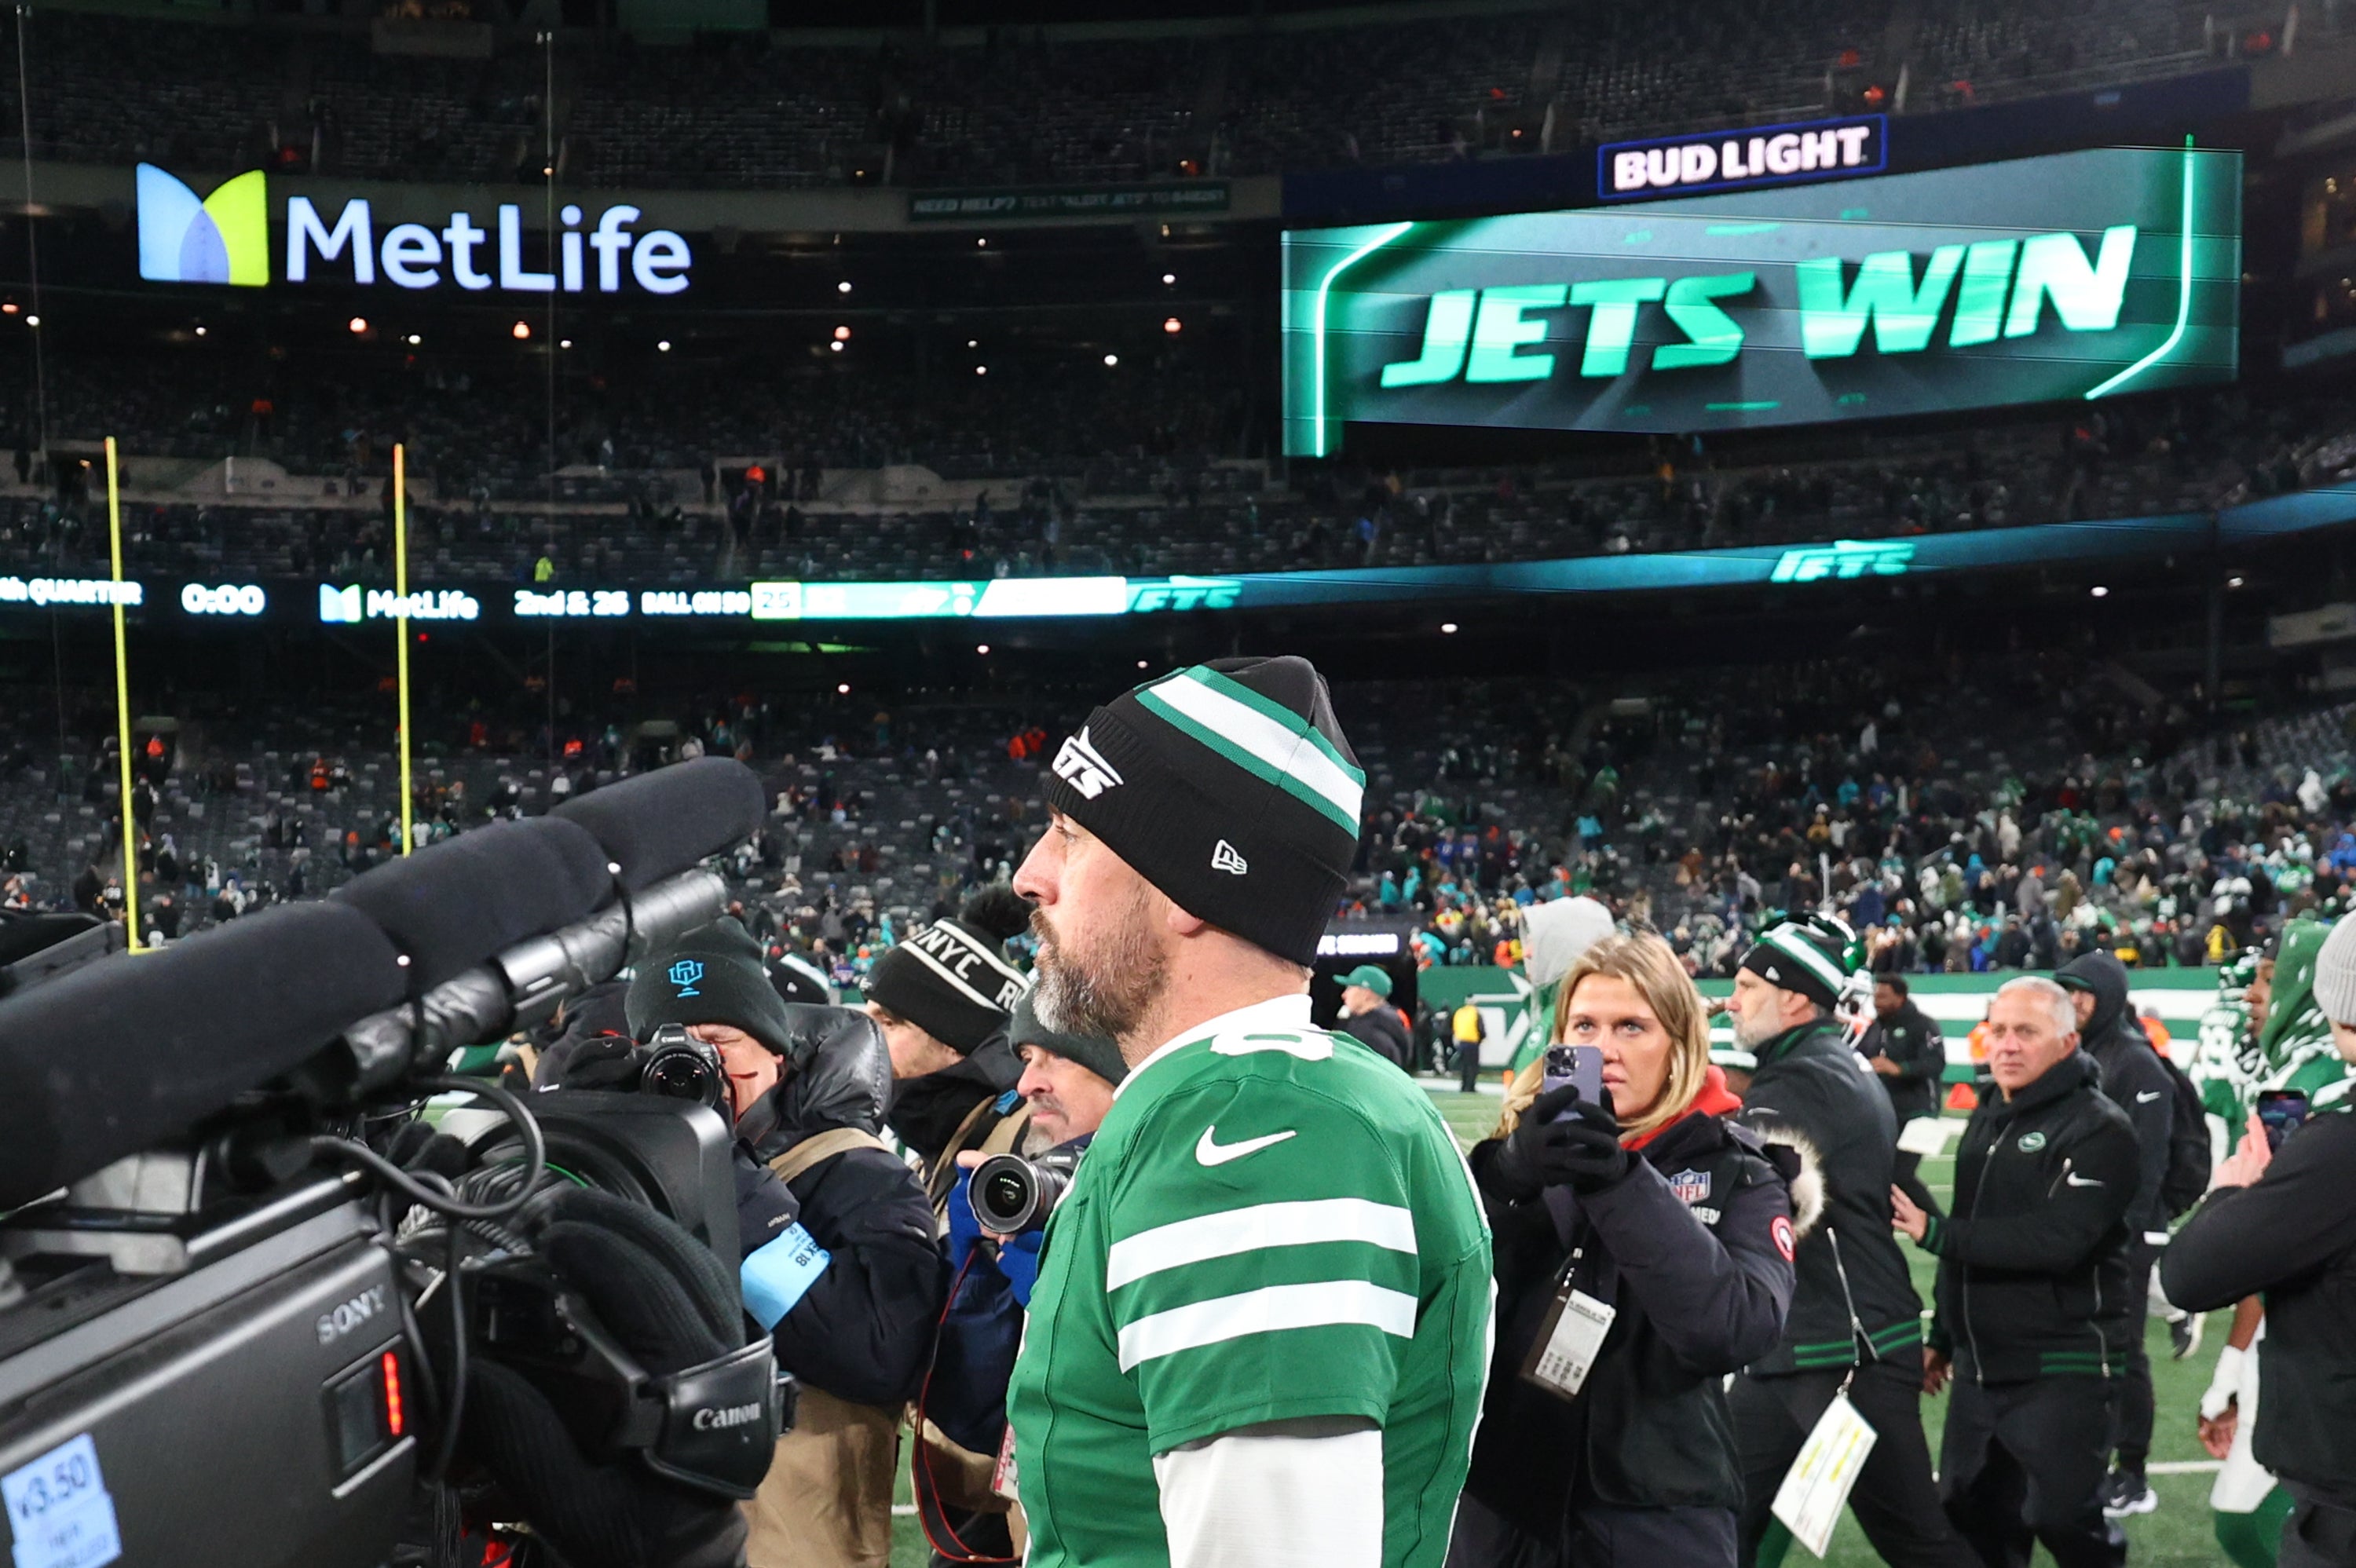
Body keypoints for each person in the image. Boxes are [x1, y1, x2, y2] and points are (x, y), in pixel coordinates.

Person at [1008, 656, 1492, 1568]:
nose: (1033, 874)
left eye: (1071, 833)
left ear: (1192, 884)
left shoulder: (1253, 1133)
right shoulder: (1260, 1099)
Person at [1456, 929, 1797, 1568]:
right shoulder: (1514, 1159)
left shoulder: (1741, 1171)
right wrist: (1504, 1180)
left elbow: (1732, 1327)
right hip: (1501, 1508)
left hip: (1655, 1513)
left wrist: (1619, 1180)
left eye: (1632, 1027)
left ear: (1679, 1045)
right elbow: (1438, 1304)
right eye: (1584, 1024)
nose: (1603, 1049)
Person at [611, 918, 946, 1568]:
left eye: (721, 1040)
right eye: (669, 1045)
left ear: (776, 1053)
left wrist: (723, 1173)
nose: (697, 1061)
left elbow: (880, 1352)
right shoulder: (631, 1169)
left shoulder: (856, 1172)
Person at [1724, 923, 1976, 1568]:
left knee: (1917, 1542)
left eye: (1748, 986)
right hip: (1807, 1344)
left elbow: (1735, 1183)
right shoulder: (1823, 1065)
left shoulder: (1804, 1080)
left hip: (1844, 1353)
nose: (1732, 1000)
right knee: (1716, 1517)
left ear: (1797, 1002)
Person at [1890, 976, 2137, 1568]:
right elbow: (1971, 1240)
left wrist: (1937, 1230)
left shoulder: (2101, 1126)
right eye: (1997, 1030)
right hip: (1980, 1370)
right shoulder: (1989, 1113)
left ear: (2066, 1040)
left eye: (2026, 1031)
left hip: (2063, 1364)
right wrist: (1943, 1338)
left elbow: (2061, 1240)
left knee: (2063, 1519)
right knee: (1972, 1520)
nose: (2006, 1044)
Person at [2163, 915, 2356, 1568]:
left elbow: (2191, 1272)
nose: (2253, 994)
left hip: (2343, 1471)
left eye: (2273, 979)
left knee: (2248, 1524)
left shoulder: (2336, 1128)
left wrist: (2233, 1191)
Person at [917, 995, 1127, 1566]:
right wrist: (976, 1279)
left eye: (1054, 1058)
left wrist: (1076, 1308)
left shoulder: (1173, 1195)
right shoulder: (1028, 1183)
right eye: (1027, 1058)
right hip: (1040, 1527)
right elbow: (979, 1422)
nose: (1028, 1081)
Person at [2056, 950, 2175, 1520]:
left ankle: (2134, 1473)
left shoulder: (2138, 1063)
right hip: (2084, 1236)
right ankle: (2098, 1463)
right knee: (2091, 1352)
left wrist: (2113, 1237)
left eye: (2084, 992)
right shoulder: (2081, 1054)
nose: (2074, 1001)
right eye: (2068, 990)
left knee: (2124, 1353)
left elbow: (2145, 1169)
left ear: (2108, 996)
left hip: (2125, 1238)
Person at [863, 885, 1035, 1212]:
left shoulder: (1023, 1147)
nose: (867, 1036)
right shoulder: (931, 1145)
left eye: (888, 1023)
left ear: (955, 1044)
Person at [1864, 974, 1948, 1214]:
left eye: (1883, 996)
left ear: (1900, 998)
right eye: (1875, 996)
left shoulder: (1924, 1025)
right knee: (1881, 1176)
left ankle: (1941, 1230)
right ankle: (1883, 1236)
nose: (1876, 1001)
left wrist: (1898, 1069)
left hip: (1920, 1111)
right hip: (1887, 1112)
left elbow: (1936, 1063)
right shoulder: (1875, 1027)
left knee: (1901, 1175)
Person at [1336, 963, 1412, 1069]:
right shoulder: (1387, 1024)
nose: (1344, 995)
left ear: (1366, 994)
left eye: (1349, 988)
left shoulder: (1370, 1035)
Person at [1454, 995, 1488, 1091]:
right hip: (1472, 1042)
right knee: (1472, 1066)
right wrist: (1481, 1039)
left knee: (1464, 1066)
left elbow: (1454, 1027)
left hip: (1462, 1042)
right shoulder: (1476, 1013)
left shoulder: (1459, 1012)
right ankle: (1470, 1086)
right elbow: (1481, 1029)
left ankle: (1463, 1085)